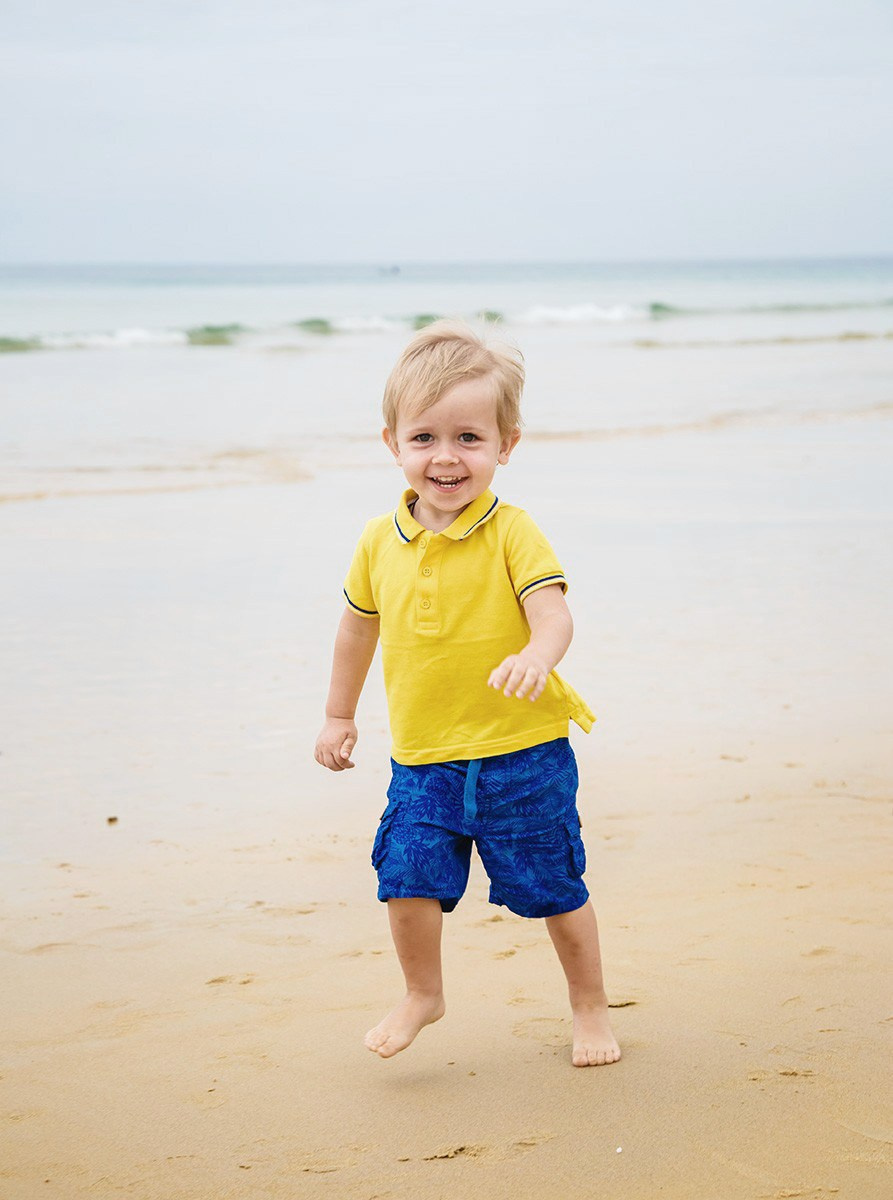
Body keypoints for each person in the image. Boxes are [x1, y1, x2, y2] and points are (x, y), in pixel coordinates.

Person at [314, 321, 621, 1068]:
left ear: (504, 444)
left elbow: (552, 614)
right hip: (424, 758)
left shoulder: (514, 532)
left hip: (522, 752)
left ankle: (589, 1005)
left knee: (552, 885)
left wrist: (535, 656)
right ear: (392, 443)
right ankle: (424, 992)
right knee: (405, 880)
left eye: (468, 438)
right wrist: (337, 714)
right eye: (424, 438)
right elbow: (357, 631)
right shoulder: (376, 541)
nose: (445, 457)